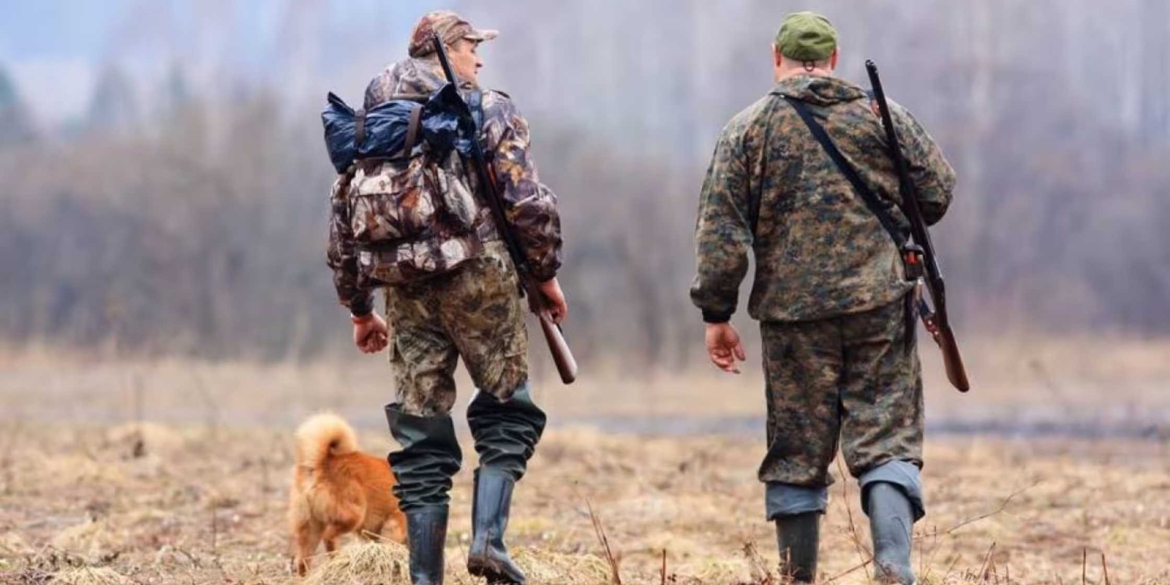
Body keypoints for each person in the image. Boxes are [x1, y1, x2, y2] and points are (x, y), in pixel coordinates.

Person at [689, 11, 956, 584]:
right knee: (886, 440)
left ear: (776, 57)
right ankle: (892, 565)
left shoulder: (748, 130)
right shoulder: (885, 118)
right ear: (834, 59)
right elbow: (936, 194)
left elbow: (720, 233)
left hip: (792, 320)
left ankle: (796, 579)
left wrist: (717, 313)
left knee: (796, 453)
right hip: (880, 309)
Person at [326, 10, 567, 585]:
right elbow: (526, 202)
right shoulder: (487, 108)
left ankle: (424, 578)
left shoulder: (372, 121)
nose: (479, 60)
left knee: (421, 433)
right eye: (471, 48)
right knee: (509, 409)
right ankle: (487, 543)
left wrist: (360, 308)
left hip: (404, 289)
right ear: (445, 52)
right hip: (479, 277)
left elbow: (341, 218)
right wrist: (546, 274)